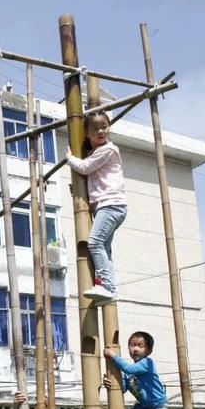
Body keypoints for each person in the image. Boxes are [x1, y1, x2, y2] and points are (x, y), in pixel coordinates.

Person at [66, 110, 126, 304]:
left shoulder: (109, 149)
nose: (101, 131)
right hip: (107, 205)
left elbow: (84, 167)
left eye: (104, 127)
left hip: (111, 204)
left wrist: (69, 158)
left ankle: (106, 286)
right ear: (86, 133)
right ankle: (110, 289)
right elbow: (92, 176)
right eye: (95, 128)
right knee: (104, 248)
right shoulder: (95, 153)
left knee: (95, 243)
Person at [103, 331, 168, 409]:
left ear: (149, 351)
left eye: (140, 346)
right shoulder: (128, 373)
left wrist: (113, 355)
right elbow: (122, 388)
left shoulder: (147, 363)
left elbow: (129, 368)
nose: (136, 349)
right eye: (132, 345)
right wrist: (109, 381)